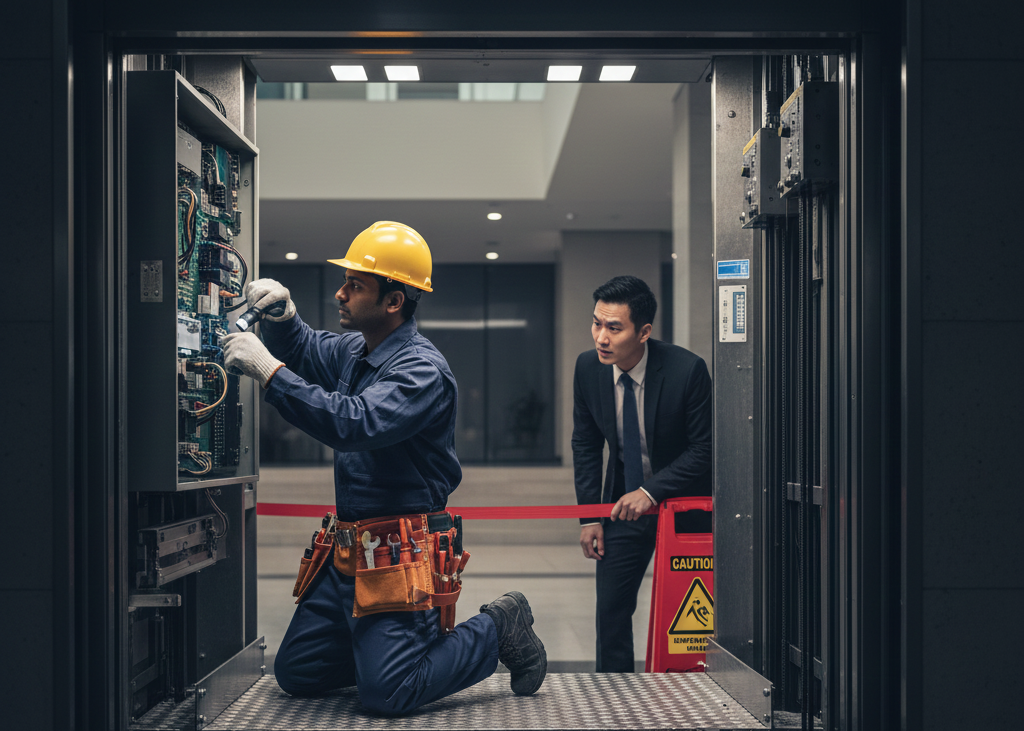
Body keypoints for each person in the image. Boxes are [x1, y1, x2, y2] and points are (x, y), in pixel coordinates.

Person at [221, 221, 546, 713]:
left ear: (394, 302)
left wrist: (269, 372)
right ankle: (383, 652)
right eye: (345, 280)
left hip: (399, 551)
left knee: (387, 694)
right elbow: (309, 348)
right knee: (297, 673)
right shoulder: (358, 351)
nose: (341, 293)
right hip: (349, 550)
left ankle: (498, 629)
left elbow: (356, 423)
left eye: (356, 285)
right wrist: (285, 319)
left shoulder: (421, 371)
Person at [572, 275, 712, 672]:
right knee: (611, 610)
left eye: (614, 328)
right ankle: (613, 694)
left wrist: (651, 492)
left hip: (686, 505)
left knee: (689, 610)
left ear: (644, 332)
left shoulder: (687, 371)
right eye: (597, 323)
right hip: (622, 505)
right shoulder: (588, 368)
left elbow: (705, 449)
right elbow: (585, 445)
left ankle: (693, 687)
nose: (601, 337)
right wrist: (590, 517)